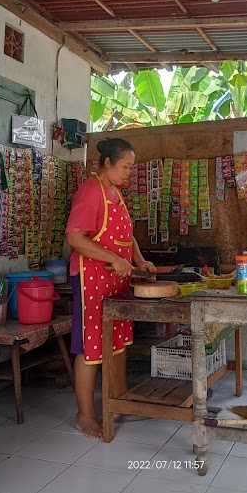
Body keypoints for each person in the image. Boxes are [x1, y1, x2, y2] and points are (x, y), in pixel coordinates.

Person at [66, 138, 155, 438]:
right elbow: (75, 238)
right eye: (125, 167)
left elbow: (127, 236)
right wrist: (113, 258)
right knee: (91, 348)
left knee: (117, 341)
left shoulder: (115, 192)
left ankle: (118, 400)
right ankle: (85, 415)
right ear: (107, 164)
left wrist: (140, 261)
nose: (129, 172)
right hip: (91, 279)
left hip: (116, 280)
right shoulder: (91, 191)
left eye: (131, 167)